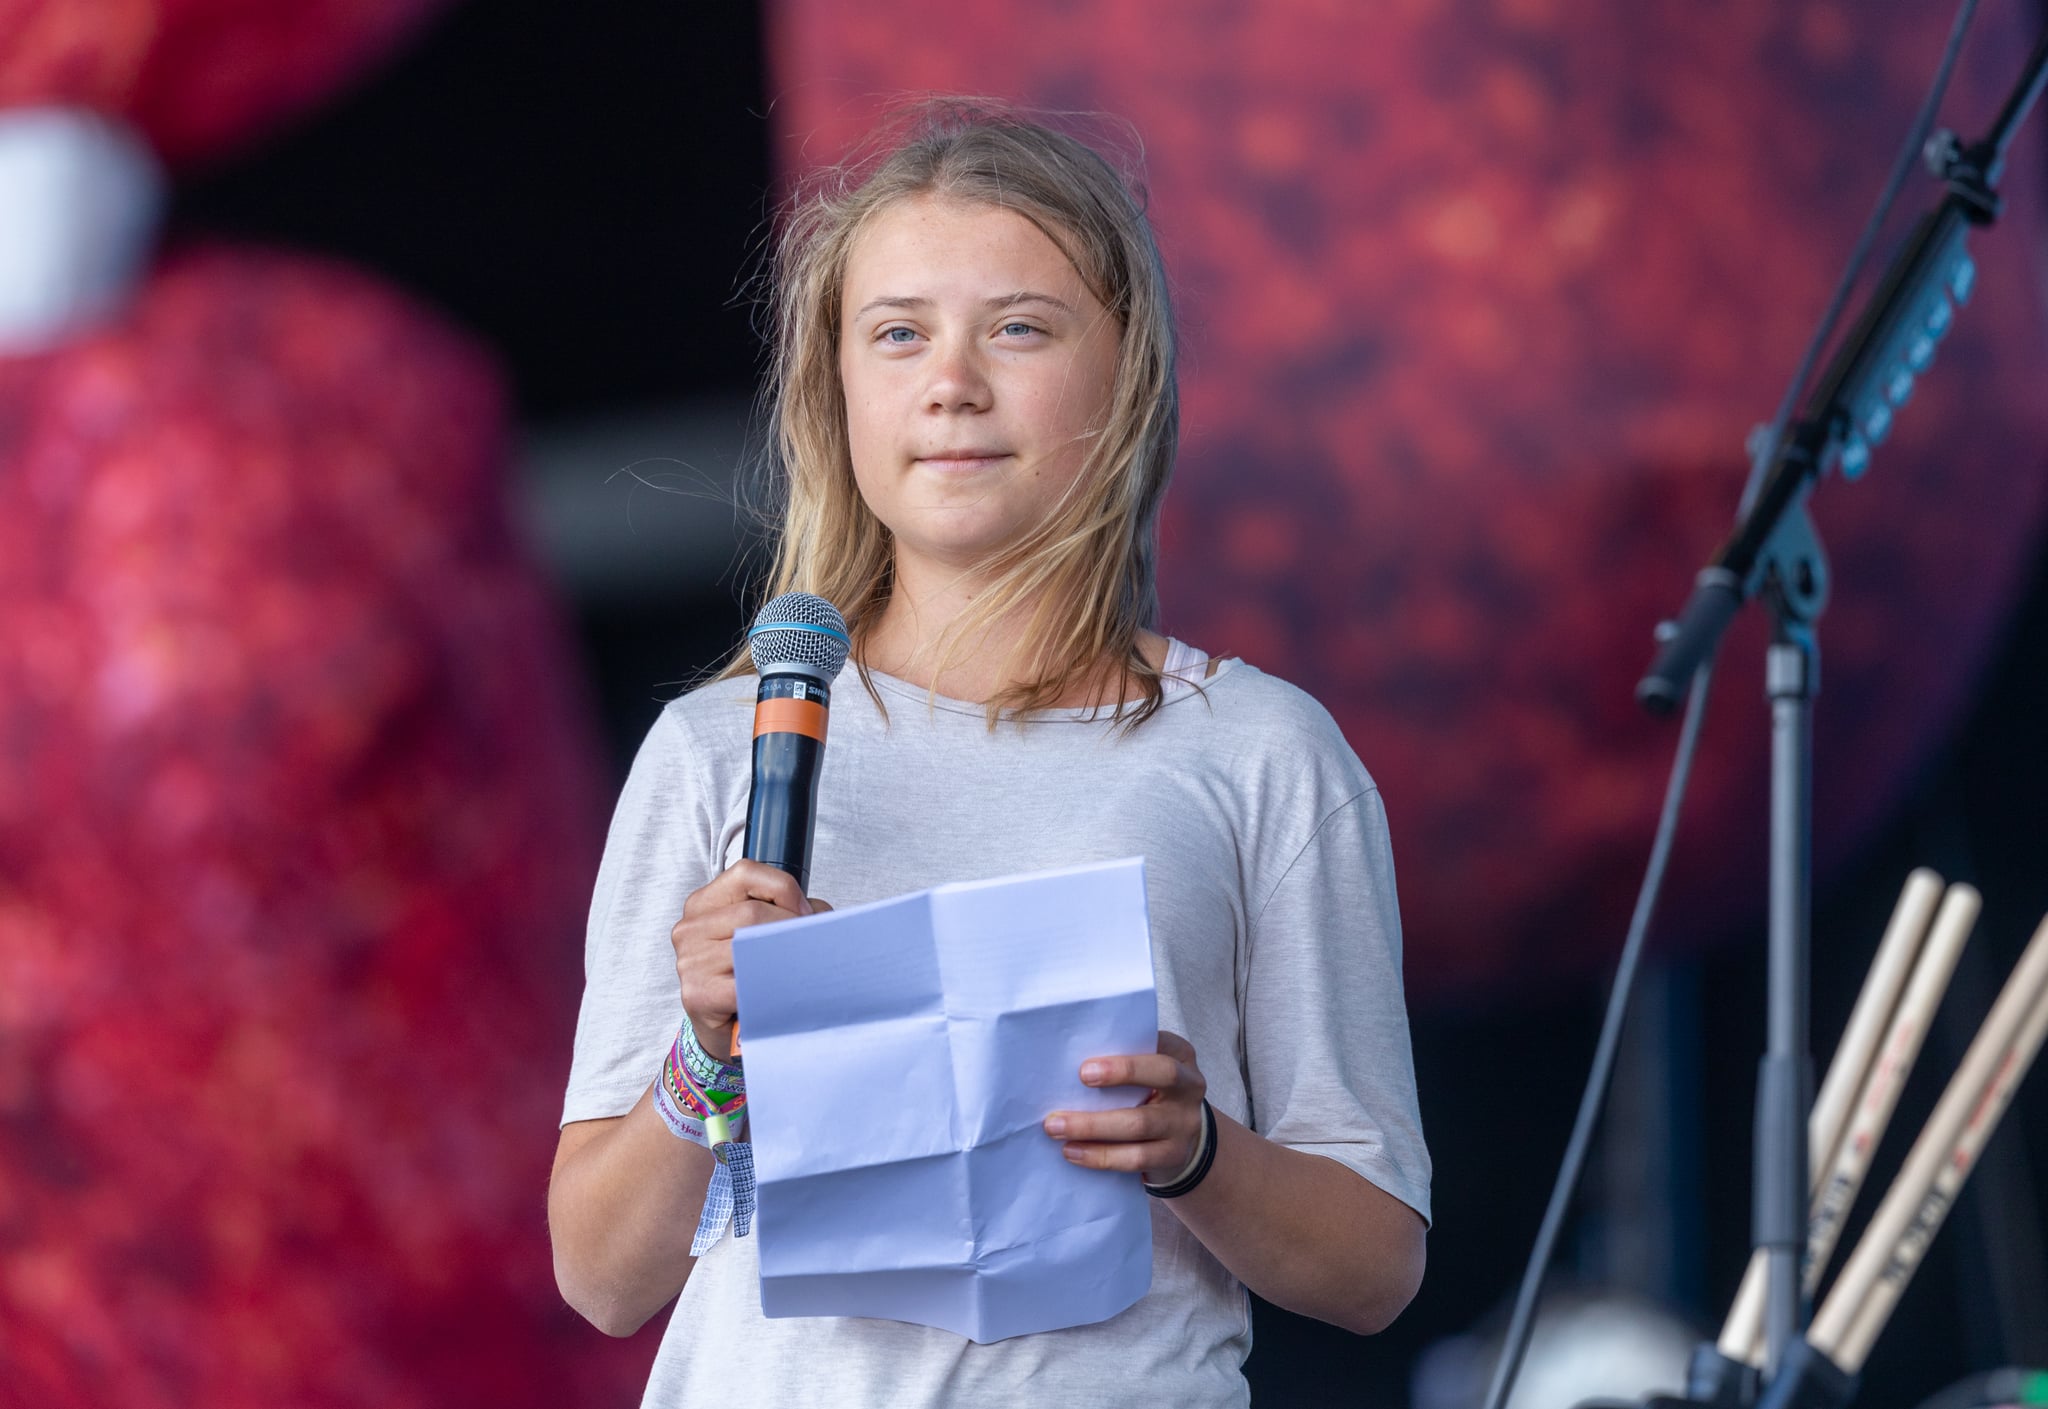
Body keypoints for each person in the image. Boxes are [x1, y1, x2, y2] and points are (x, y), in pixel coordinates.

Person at [548, 99, 1430, 1407]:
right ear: (836, 388)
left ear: (1124, 375)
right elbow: (600, 1276)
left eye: (1018, 327)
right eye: (897, 334)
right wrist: (701, 1054)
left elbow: (1375, 1266)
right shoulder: (717, 748)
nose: (950, 382)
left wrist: (1196, 1152)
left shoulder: (1260, 755)